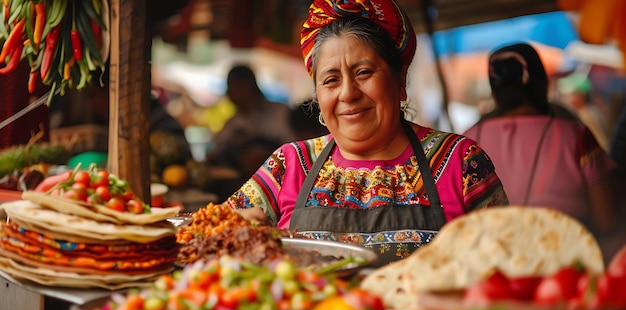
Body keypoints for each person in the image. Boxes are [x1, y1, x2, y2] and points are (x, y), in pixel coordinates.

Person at [225, 0, 508, 262]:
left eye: (363, 73)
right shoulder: (288, 165)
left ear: (400, 81)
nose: (347, 93)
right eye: (331, 80)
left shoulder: (460, 162)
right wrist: (236, 231)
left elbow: (508, 264)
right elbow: (207, 236)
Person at [463, 43, 616, 235]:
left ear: (494, 94)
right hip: (569, 255)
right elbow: (607, 219)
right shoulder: (577, 135)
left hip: (490, 260)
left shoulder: (464, 142)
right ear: (543, 85)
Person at [207, 64, 297, 178]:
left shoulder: (279, 113)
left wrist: (266, 156)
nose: (229, 94)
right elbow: (214, 151)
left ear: (247, 85)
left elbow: (294, 148)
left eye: (233, 87)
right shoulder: (233, 123)